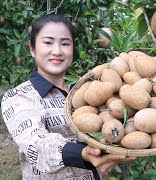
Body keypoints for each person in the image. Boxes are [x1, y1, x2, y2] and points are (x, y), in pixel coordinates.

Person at [1, 14, 134, 180]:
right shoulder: (19, 96)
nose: (57, 51)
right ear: (32, 49)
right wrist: (83, 153)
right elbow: (35, 145)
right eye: (48, 42)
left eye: (65, 43)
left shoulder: (86, 88)